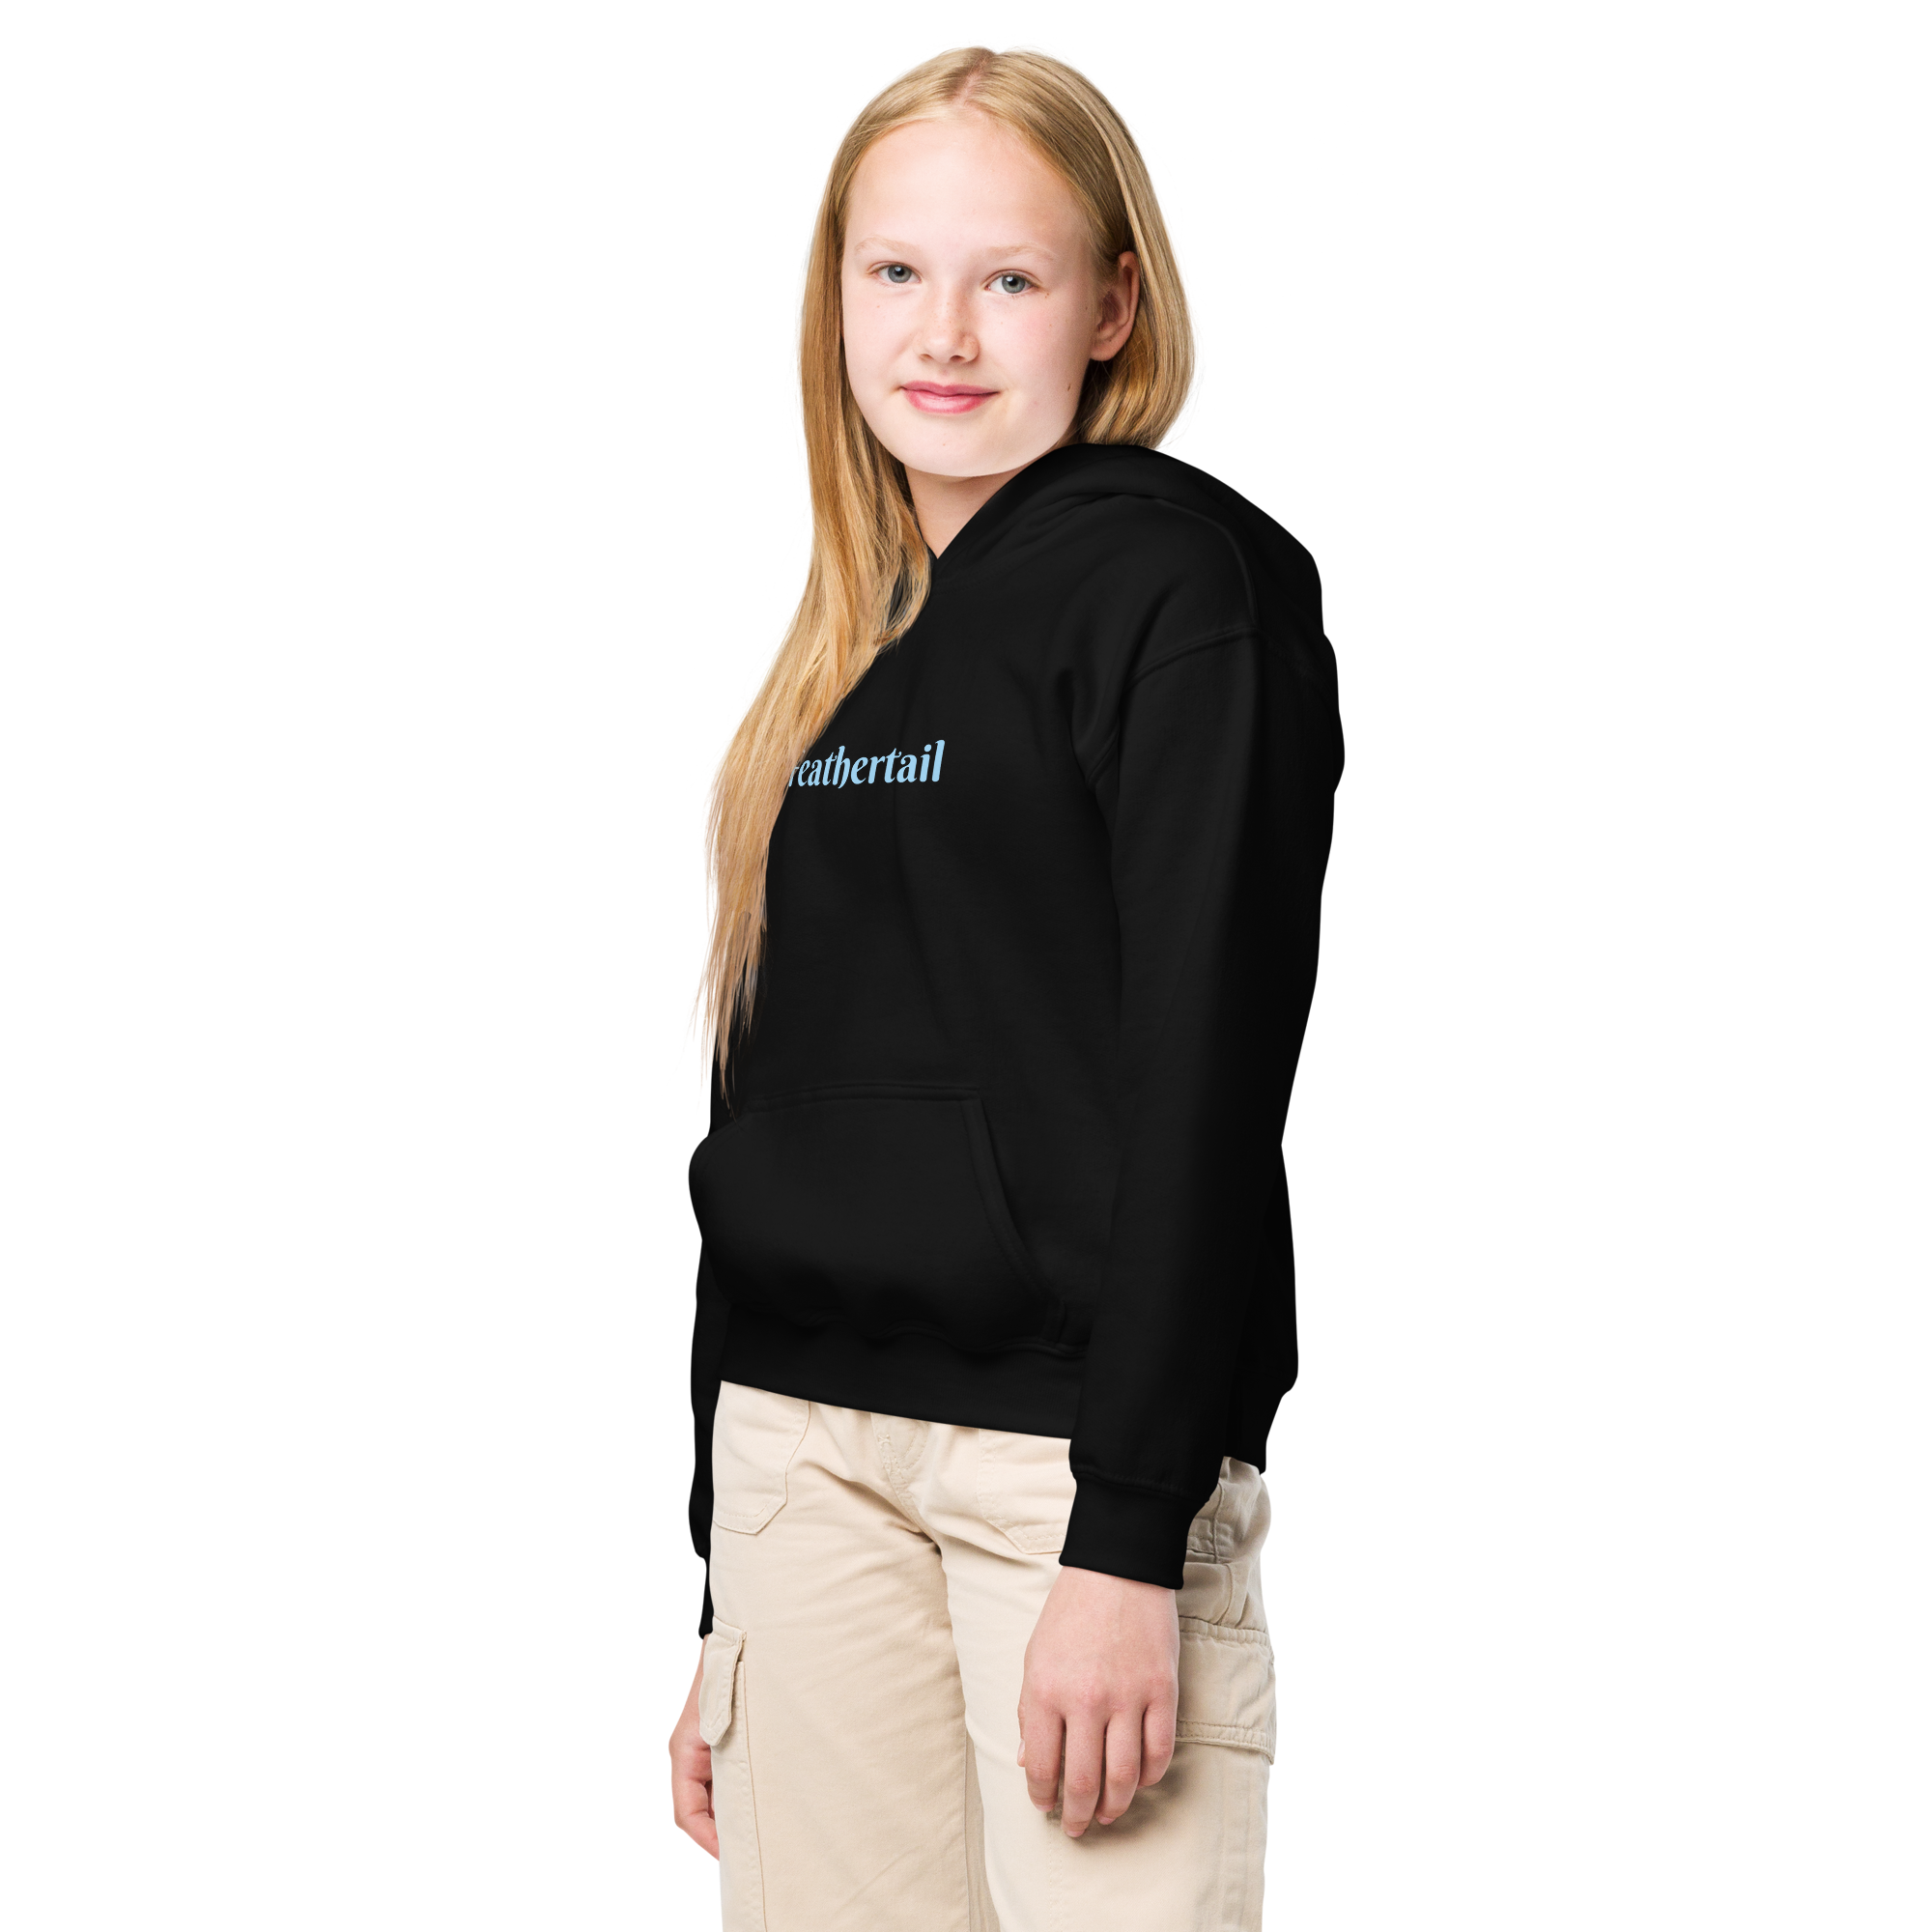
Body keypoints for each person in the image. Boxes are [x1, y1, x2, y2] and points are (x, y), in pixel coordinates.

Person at [666, 39, 1342, 1930]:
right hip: (801, 1472)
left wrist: (1128, 1538)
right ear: (834, 297)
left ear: (1112, 305)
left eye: (1010, 277)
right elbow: (773, 1118)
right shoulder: (837, 656)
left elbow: (1210, 1073)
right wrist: (727, 1609)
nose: (943, 334)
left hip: (1060, 1476)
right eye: (895, 270)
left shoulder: (1181, 588)